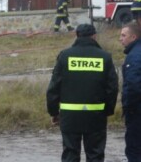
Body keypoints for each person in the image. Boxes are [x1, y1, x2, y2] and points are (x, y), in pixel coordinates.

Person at [47, 24, 118, 162]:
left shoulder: (65, 56)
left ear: (76, 35)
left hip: (70, 116)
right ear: (94, 36)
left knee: (70, 154)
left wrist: (54, 112)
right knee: (95, 155)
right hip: (96, 116)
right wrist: (108, 111)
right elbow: (112, 88)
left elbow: (54, 87)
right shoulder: (105, 57)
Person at [119, 22, 141, 161]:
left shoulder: (134, 56)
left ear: (133, 37)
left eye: (123, 35)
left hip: (137, 111)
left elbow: (133, 86)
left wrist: (128, 107)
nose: (120, 38)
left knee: (134, 148)